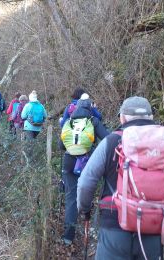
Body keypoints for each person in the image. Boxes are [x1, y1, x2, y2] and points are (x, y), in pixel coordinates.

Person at [77, 96, 164, 260]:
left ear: (123, 117)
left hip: (114, 228)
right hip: (155, 230)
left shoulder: (111, 142)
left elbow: (85, 183)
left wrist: (85, 210)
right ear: (151, 117)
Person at [59, 93, 110, 245]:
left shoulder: (69, 121)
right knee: (88, 191)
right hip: (86, 160)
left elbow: (61, 145)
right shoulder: (93, 121)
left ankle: (68, 237)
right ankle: (89, 226)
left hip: (69, 161)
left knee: (71, 198)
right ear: (90, 108)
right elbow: (107, 139)